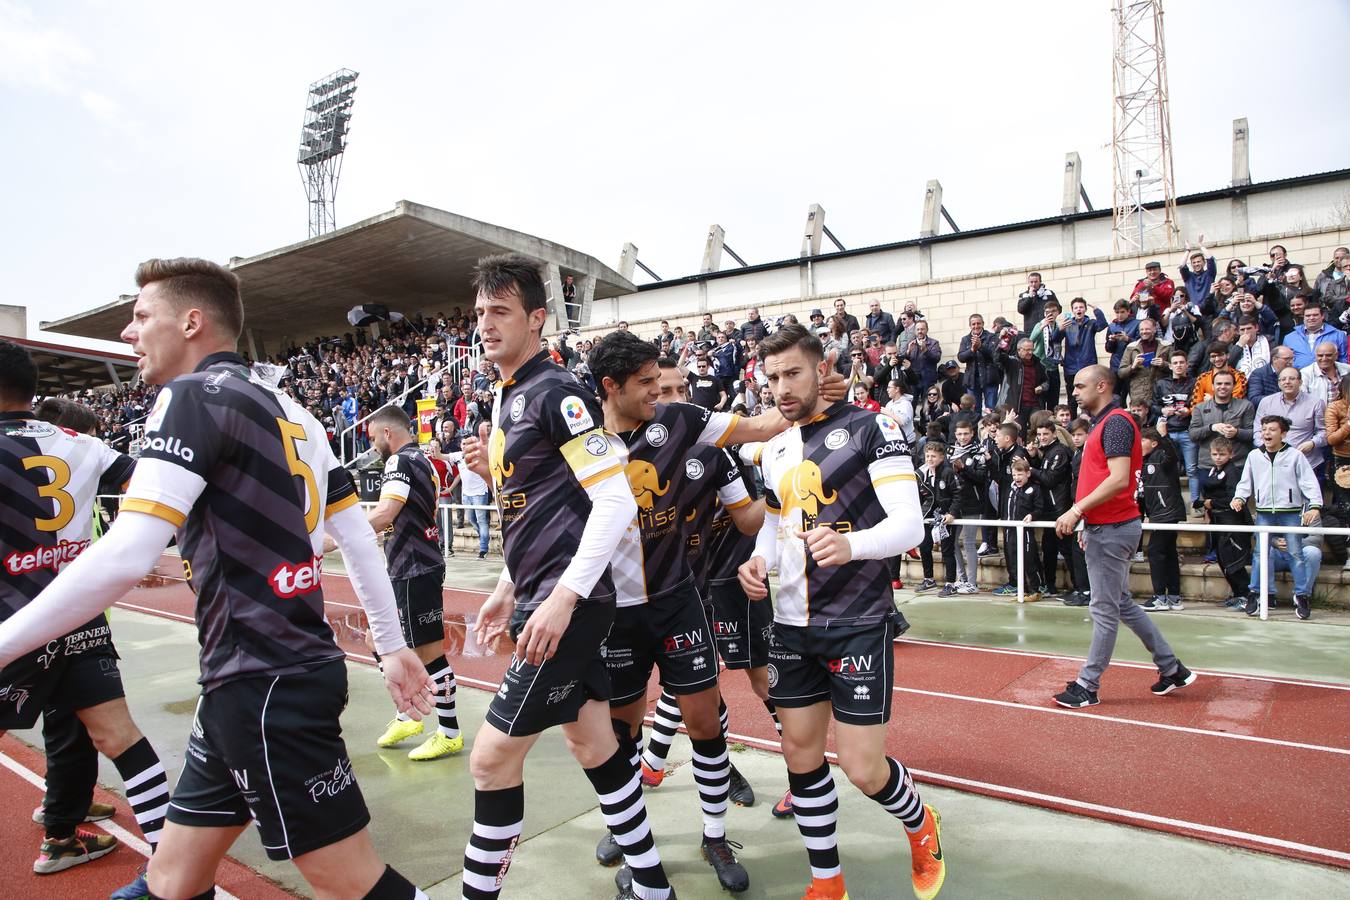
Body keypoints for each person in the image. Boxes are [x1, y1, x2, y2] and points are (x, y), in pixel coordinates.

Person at [0, 261, 436, 900]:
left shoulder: (189, 399)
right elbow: (358, 540)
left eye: (142, 316)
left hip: (261, 679)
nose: (128, 333)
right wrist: (392, 645)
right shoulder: (294, 413)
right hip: (262, 674)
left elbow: (127, 551)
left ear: (192, 322)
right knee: (173, 879)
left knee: (349, 880)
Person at [586, 329, 846, 895]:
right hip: (615, 614)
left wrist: (817, 394)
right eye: (648, 383)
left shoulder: (678, 424)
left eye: (664, 380)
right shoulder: (579, 437)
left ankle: (714, 833)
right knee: (620, 735)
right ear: (611, 387)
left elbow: (762, 427)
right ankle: (636, 844)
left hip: (680, 602)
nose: (660, 392)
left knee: (705, 724)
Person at [459, 256, 679, 900]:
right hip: (544, 598)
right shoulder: (507, 397)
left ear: (536, 319)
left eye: (501, 311)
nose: (486, 324)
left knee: (490, 762)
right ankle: (653, 886)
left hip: (568, 608)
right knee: (595, 745)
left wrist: (559, 599)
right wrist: (506, 589)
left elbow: (614, 503)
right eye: (479, 313)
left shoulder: (556, 393)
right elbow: (534, 513)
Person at [736, 324, 943, 900]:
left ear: (822, 367)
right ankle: (827, 882)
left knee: (862, 767)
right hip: (791, 625)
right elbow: (778, 526)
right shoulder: (776, 447)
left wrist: (852, 545)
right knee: (800, 755)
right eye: (771, 377)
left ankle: (921, 824)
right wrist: (758, 561)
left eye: (792, 373)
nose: (780, 387)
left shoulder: (873, 427)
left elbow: (908, 524)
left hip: (856, 622)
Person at [0, 349, 170, 898]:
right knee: (120, 735)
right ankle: (173, 865)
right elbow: (158, 486)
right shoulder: (83, 444)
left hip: (11, 622)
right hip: (77, 615)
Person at [1053, 366, 1196, 709]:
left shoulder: (1115, 422)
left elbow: (1118, 479)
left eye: (1079, 386)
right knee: (1122, 605)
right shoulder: (1107, 423)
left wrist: (1077, 511)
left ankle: (1088, 685)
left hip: (1113, 527)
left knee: (1104, 608)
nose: (1074, 392)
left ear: (1101, 386)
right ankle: (1172, 667)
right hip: (1109, 526)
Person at [352, 406, 463, 761]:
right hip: (408, 566)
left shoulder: (399, 462)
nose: (372, 446)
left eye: (372, 438)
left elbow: (387, 512)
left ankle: (449, 732)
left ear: (388, 433)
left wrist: (334, 539)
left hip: (416, 568)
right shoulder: (423, 459)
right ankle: (407, 714)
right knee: (377, 637)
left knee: (430, 653)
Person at [1232, 415, 1323, 620]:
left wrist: (1315, 505)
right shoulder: (1254, 456)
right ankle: (1255, 593)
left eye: (1272, 430)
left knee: (1296, 554)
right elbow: (1246, 481)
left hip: (1290, 512)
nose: (1267, 433)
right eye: (1264, 429)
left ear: (1283, 433)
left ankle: (1301, 596)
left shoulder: (1295, 456)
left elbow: (1309, 482)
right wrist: (1239, 497)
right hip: (1264, 512)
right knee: (1259, 554)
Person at [1194, 437, 1253, 608]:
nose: (1218, 457)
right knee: (1222, 559)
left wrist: (1210, 503)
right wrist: (1207, 508)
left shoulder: (1233, 472)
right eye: (1214, 454)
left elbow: (1232, 498)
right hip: (1216, 519)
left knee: (1233, 560)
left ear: (1231, 454)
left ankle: (1245, 595)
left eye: (1222, 454)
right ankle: (1238, 593)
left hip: (1232, 520)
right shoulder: (1212, 471)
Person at [1138, 428, 1187, 611]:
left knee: (1155, 551)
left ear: (1153, 442)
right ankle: (1174, 596)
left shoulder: (1162, 457)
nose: (1139, 444)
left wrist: (1165, 436)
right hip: (1158, 513)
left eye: (1142, 440)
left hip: (1167, 513)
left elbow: (1172, 456)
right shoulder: (1145, 460)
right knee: (1169, 552)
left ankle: (1160, 597)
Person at [1255, 367, 1327, 482]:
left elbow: (1324, 431)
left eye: (1292, 378)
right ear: (1278, 383)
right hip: (1273, 461)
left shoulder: (1316, 403)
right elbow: (1257, 431)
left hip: (1306, 461)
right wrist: (1266, 448)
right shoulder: (1266, 402)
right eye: (1283, 379)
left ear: (1300, 382)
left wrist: (1313, 443)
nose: (1287, 382)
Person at [1029, 422, 1073, 598]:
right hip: (1050, 508)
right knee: (1049, 549)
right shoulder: (1048, 452)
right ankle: (1050, 585)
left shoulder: (1059, 452)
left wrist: (1030, 469)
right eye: (1039, 434)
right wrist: (1033, 458)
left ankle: (1079, 586)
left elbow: (1050, 479)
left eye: (1045, 434)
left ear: (1054, 434)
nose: (1041, 437)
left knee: (1067, 549)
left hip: (1059, 508)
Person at [947, 420, 988, 595]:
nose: (962, 437)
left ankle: (972, 583)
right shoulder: (950, 451)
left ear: (972, 433)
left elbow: (981, 478)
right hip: (955, 504)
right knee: (952, 542)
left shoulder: (979, 452)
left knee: (969, 542)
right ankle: (961, 579)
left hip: (974, 504)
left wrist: (963, 469)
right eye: (959, 434)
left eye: (966, 434)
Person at [1154, 349, 1200, 504]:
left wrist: (1189, 411)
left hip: (1188, 431)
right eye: (1175, 363)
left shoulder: (1195, 383)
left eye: (1181, 362)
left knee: (1192, 470)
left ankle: (1195, 503)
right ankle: (1169, 503)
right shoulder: (1161, 384)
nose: (1179, 365)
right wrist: (1162, 410)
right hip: (1167, 432)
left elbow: (1199, 404)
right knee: (1167, 470)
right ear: (1170, 366)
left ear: (1187, 364)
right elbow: (1152, 405)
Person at [914, 441, 960, 594]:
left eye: (933, 456)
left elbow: (958, 495)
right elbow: (922, 497)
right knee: (925, 546)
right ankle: (929, 579)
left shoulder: (948, 472)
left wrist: (952, 513)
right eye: (927, 456)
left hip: (945, 518)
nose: (930, 459)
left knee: (947, 551)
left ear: (941, 457)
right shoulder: (923, 473)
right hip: (929, 517)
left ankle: (951, 584)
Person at [1190, 369, 1256, 471]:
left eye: (1227, 384)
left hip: (1237, 464)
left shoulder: (1246, 406)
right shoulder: (1200, 408)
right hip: (1208, 464)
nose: (1223, 387)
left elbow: (1253, 434)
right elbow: (1193, 434)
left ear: (1233, 386)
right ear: (1212, 386)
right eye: (1219, 383)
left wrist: (1236, 432)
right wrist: (1211, 428)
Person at [998, 457, 1043, 602]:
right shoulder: (1011, 488)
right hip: (1010, 530)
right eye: (1014, 475)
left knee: (1029, 560)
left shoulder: (1034, 489)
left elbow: (1039, 508)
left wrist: (1032, 515)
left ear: (1028, 474)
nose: (1017, 478)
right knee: (1013, 560)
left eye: (1020, 474)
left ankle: (1035, 590)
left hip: (1025, 532)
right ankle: (1021, 589)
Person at [1059, 419, 1094, 606]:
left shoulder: (1088, 453)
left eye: (1080, 434)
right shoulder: (1077, 453)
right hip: (1078, 503)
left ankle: (1086, 590)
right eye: (1073, 435)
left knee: (1080, 549)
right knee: (1076, 549)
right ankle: (1082, 588)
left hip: (1085, 506)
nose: (1076, 438)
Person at [1060, 298, 1108, 417]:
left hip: (1088, 367)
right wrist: (1060, 329)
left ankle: (1088, 422)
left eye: (1081, 307)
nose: (1078, 310)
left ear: (1085, 309)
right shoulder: (1070, 324)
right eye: (1076, 308)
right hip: (1071, 367)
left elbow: (1102, 325)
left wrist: (1097, 310)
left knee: (1088, 396)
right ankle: (1072, 424)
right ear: (1072, 310)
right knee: (1072, 398)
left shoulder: (1090, 323)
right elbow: (1055, 339)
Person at [1117, 317, 1171, 408]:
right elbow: (1121, 373)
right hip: (1139, 394)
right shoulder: (1131, 347)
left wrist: (1163, 364)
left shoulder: (1166, 346)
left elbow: (1177, 367)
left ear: (1154, 330)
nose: (1144, 332)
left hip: (1161, 392)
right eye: (1141, 329)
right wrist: (1133, 366)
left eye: (1147, 329)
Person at [996, 338, 1047, 425]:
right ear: (1019, 350)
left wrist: (1042, 387)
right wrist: (1002, 344)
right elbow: (999, 357)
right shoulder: (1011, 362)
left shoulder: (1039, 365)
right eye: (1027, 350)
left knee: (1040, 426)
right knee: (1019, 432)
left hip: (1035, 404)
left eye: (1032, 350)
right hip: (1016, 406)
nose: (1030, 352)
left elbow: (1046, 381)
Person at [1284, 301, 1348, 369]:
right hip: (1298, 377)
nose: (1311, 318)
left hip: (1328, 377)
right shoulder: (1289, 338)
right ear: (1303, 317)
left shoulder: (1338, 335)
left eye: (1315, 315)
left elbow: (1343, 360)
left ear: (1322, 316)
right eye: (1308, 316)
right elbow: (1285, 361)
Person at [957, 314, 999, 412]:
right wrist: (972, 350)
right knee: (973, 410)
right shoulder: (965, 339)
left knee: (991, 410)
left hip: (989, 379)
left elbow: (995, 355)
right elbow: (961, 357)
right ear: (970, 325)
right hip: (972, 381)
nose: (976, 326)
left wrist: (980, 346)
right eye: (973, 324)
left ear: (983, 324)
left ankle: (992, 427)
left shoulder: (992, 337)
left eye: (978, 323)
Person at [1300, 341, 1350, 406]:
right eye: (1320, 355)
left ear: (1336, 355)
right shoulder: (1305, 373)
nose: (1324, 359)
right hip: (1318, 414)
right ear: (1315, 356)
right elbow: (1302, 400)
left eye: (1328, 355)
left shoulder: (1347, 369)